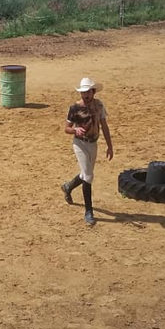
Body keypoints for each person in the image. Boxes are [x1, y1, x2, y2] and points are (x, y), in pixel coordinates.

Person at [61, 77, 114, 226]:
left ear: (93, 92)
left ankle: (68, 187)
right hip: (80, 144)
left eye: (88, 92)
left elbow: (104, 125)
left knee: (85, 174)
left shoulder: (99, 106)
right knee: (89, 176)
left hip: (93, 144)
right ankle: (88, 211)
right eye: (83, 93)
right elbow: (66, 128)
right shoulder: (75, 108)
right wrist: (74, 130)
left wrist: (110, 146)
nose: (85, 95)